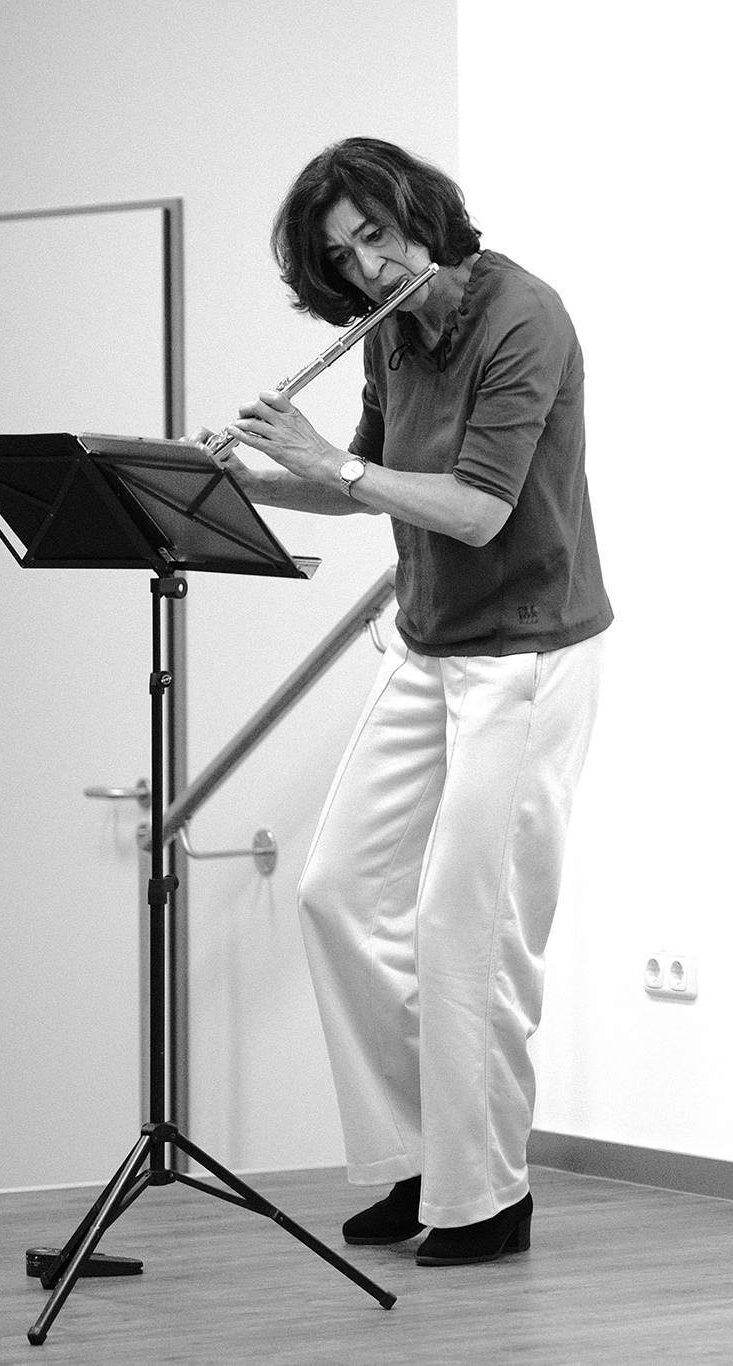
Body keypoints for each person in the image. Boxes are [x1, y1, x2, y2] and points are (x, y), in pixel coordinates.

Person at [191, 137, 612, 1267]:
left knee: (472, 929)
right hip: (430, 641)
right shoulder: (392, 334)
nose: (370, 269)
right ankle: (416, 1158)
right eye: (343, 257)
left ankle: (486, 1199)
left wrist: (324, 463)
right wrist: (249, 476)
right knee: (336, 891)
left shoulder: (523, 317)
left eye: (377, 236)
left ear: (421, 212)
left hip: (527, 652)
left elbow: (475, 509)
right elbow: (365, 485)